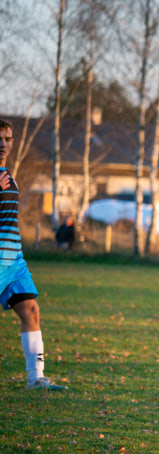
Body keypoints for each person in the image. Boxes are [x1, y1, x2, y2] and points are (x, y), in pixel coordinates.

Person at [0, 119, 66, 390]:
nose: (3, 144)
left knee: (31, 310)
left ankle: (35, 378)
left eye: (8, 138)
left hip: (14, 261)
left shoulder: (7, 174)